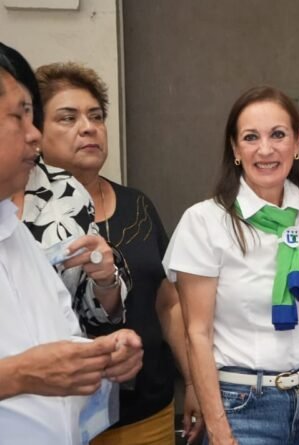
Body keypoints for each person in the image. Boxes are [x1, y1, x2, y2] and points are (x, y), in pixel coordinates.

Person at [164, 85, 299, 445]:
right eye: (251, 137)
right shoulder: (205, 222)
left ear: (297, 143)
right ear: (235, 149)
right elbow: (197, 334)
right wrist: (218, 428)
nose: (266, 149)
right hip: (245, 407)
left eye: (278, 134)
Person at [33, 62, 202, 444]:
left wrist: (194, 381)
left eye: (96, 116)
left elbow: (168, 304)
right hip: (61, 422)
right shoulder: (24, 219)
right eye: (68, 117)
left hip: (149, 411)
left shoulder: (136, 205)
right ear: (35, 133)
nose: (88, 127)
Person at [0, 41, 143, 444]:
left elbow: (61, 334)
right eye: (19, 116)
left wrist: (98, 354)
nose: (34, 134)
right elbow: (33, 367)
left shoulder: (15, 233)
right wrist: (19, 375)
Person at [2, 43, 127, 330]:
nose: (33, 133)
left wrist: (105, 280)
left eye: (96, 116)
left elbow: (70, 319)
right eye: (18, 116)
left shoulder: (65, 191)